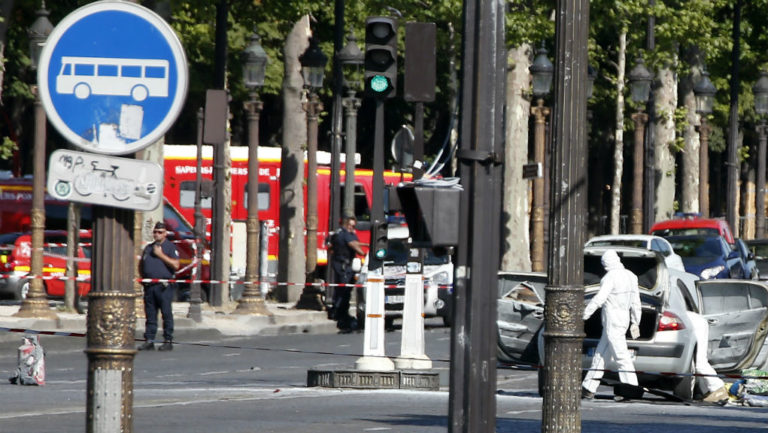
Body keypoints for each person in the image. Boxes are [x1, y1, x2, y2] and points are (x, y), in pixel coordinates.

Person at [582, 249, 642, 400]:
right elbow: (636, 302)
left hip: (612, 320)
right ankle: (589, 386)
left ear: (606, 264)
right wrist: (636, 321)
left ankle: (631, 388)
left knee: (621, 356)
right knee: (601, 355)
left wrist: (584, 314)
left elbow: (599, 298)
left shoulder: (610, 277)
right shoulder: (631, 276)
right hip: (624, 319)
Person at [138, 222, 180, 351]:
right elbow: (141, 264)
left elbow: (176, 265)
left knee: (166, 313)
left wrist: (161, 255)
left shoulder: (169, 247)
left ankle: (168, 340)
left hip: (164, 286)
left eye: (160, 232)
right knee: (150, 314)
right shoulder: (148, 248)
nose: (157, 234)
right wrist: (143, 278)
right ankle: (149, 340)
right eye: (155, 232)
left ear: (165, 234)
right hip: (150, 286)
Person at [329, 216, 365, 331]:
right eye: (352, 225)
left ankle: (337, 311)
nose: (352, 228)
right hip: (344, 265)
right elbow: (355, 245)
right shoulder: (345, 234)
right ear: (347, 224)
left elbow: (330, 247)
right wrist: (363, 253)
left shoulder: (337, 233)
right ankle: (340, 313)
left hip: (339, 263)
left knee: (340, 289)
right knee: (344, 290)